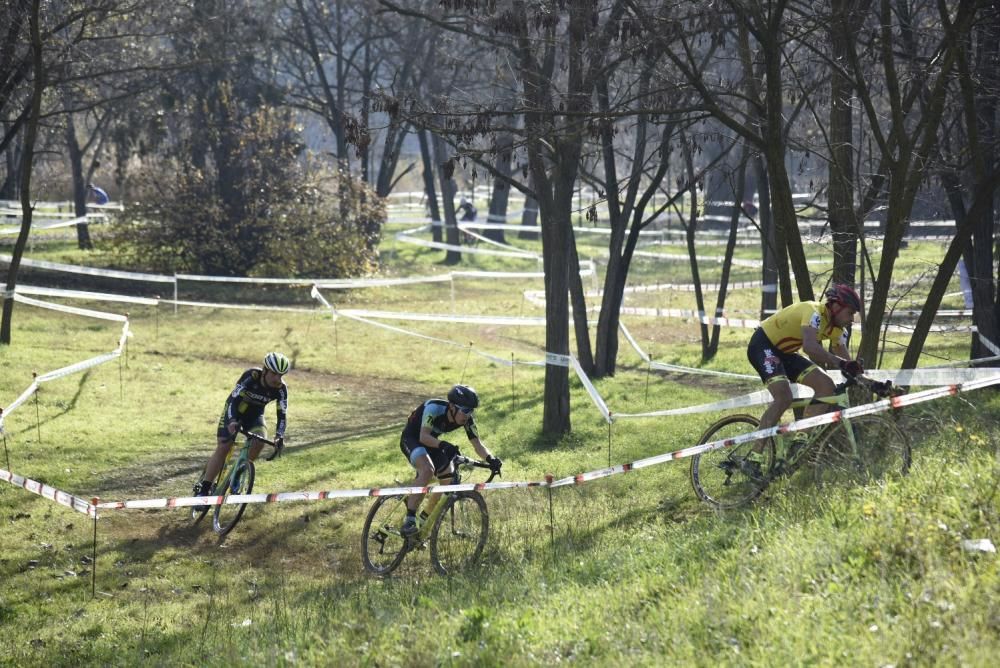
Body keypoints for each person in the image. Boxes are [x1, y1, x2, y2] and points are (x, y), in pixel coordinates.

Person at [743, 284, 864, 478]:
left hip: (786, 353)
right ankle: (753, 457)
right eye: (850, 313)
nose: (851, 320)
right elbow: (809, 347)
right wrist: (841, 363)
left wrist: (869, 381)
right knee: (783, 397)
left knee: (826, 386)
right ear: (836, 307)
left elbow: (848, 364)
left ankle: (800, 438)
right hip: (763, 345)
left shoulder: (838, 330)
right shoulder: (813, 312)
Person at [398, 384, 502, 536]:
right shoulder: (434, 408)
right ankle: (409, 520)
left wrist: (491, 459)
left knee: (448, 480)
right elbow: (423, 436)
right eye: (465, 410)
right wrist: (444, 445)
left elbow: (477, 444)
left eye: (471, 410)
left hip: (431, 442)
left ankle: (423, 521)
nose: (467, 415)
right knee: (427, 470)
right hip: (412, 438)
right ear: (452, 406)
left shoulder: (467, 420)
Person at [192, 352, 290, 507]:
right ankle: (203, 489)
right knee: (224, 446)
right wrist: (232, 421)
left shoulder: (281, 389)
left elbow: (282, 415)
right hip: (235, 411)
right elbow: (233, 399)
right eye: (274, 374)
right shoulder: (251, 376)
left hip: (255, 416)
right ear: (265, 371)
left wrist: (279, 436)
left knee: (259, 441)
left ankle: (238, 473)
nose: (278, 379)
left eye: (281, 375)